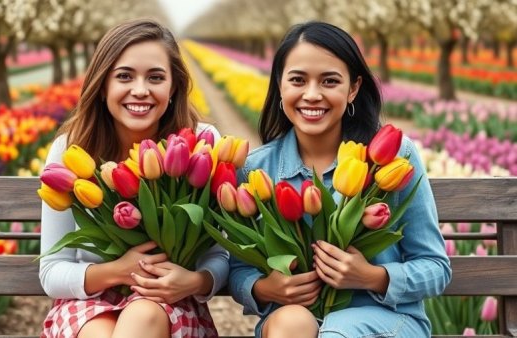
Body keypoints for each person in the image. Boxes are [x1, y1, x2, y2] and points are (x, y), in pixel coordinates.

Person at [229, 21, 451, 338]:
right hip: (293, 321)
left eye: (329, 81)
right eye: (298, 80)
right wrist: (268, 288)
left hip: (386, 320)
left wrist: (372, 277)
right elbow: (240, 269)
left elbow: (436, 267)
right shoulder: (255, 169)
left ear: (353, 88)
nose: (312, 94)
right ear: (280, 84)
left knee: (337, 333)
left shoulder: (390, 158)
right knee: (291, 323)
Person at [39, 19, 227, 338]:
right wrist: (118, 271)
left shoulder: (201, 142)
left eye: (155, 77)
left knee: (143, 315)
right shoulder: (73, 149)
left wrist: (196, 281)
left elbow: (221, 253)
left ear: (174, 87)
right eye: (124, 76)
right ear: (102, 85)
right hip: (89, 300)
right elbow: (52, 270)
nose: (140, 90)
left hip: (170, 300)